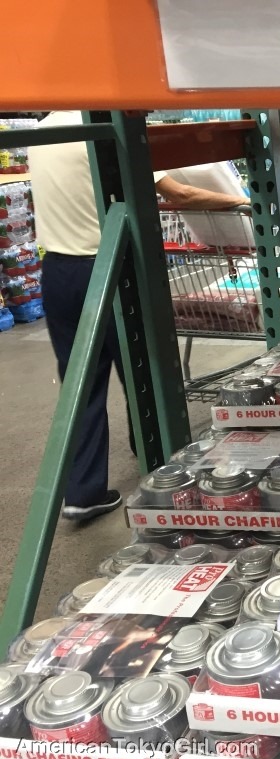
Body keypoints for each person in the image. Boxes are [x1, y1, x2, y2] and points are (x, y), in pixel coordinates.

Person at [28, 111, 249, 522]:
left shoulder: (44, 131)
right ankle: (161, 464)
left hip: (58, 271)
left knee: (80, 383)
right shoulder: (110, 131)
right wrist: (241, 202)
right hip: (110, 266)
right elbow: (181, 194)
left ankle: (82, 493)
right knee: (143, 371)